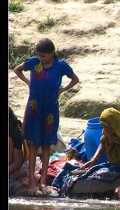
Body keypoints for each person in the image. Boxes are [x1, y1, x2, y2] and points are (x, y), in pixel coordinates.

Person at [14, 38, 80, 195]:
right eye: (39, 55)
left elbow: (75, 79)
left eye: (43, 56)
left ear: (51, 53)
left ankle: (43, 183)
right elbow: (17, 70)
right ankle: (32, 183)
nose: (41, 59)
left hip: (50, 109)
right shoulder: (33, 63)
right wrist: (28, 83)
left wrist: (62, 89)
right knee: (33, 144)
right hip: (34, 108)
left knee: (45, 146)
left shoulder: (60, 66)